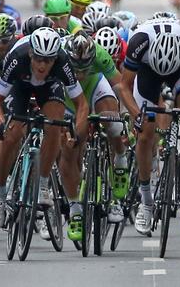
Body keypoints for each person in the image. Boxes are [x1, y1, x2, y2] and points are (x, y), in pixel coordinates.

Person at [118, 16, 180, 235]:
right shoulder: (138, 42)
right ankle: (146, 202)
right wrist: (136, 116)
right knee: (145, 135)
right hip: (147, 72)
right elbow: (124, 87)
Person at [0, 27, 89, 229]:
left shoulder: (62, 62)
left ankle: (42, 184)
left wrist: (76, 131)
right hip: (20, 86)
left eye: (48, 61)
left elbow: (82, 105)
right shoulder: (16, 57)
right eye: (39, 59)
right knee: (12, 133)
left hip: (49, 88)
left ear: (55, 59)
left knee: (54, 126)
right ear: (31, 53)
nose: (42, 65)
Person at [60, 32, 128, 240]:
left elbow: (121, 87)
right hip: (67, 95)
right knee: (68, 150)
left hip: (96, 87)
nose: (80, 73)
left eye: (85, 68)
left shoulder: (100, 54)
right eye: (76, 69)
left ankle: (119, 159)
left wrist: (125, 115)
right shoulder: (59, 56)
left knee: (113, 122)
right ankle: (75, 210)